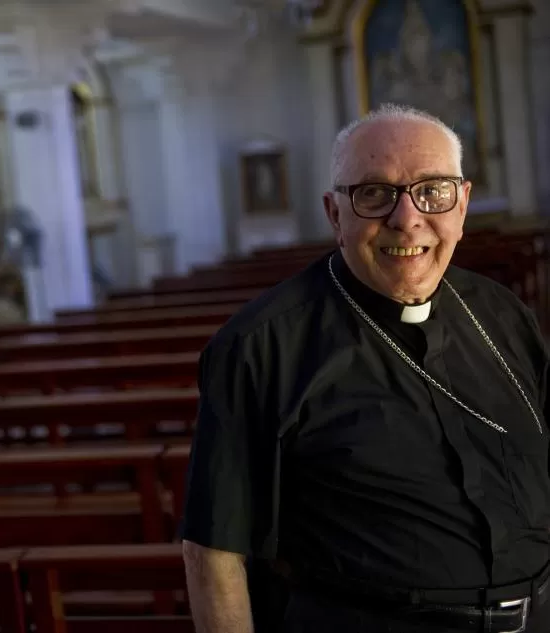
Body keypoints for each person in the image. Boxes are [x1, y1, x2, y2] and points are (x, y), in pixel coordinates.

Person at [180, 103, 550, 633]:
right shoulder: (260, 347)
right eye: (375, 194)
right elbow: (213, 553)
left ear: (461, 205)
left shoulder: (503, 312)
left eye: (433, 191)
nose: (407, 218)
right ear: (335, 214)